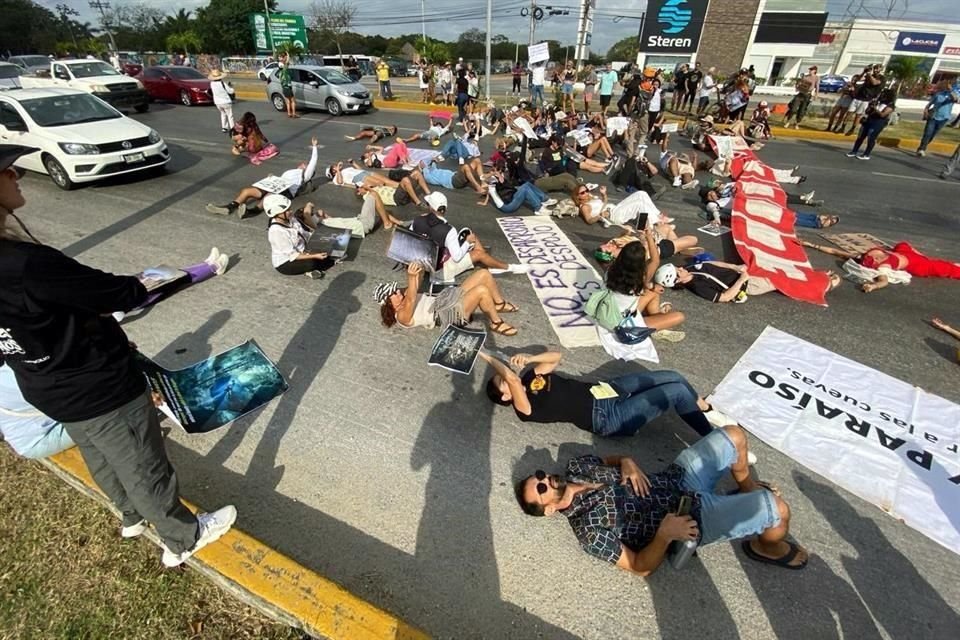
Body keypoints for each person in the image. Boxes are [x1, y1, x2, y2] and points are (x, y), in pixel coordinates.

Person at [0, 144, 236, 567]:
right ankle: (182, 537)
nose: (15, 175)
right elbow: (109, 292)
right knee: (142, 461)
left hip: (48, 387)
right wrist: (140, 286)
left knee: (99, 453)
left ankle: (130, 517)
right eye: (6, 172)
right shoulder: (24, 264)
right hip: (96, 385)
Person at [514, 425, 807, 575]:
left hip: (678, 477)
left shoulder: (577, 467)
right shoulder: (589, 532)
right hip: (692, 517)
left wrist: (626, 461)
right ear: (550, 510)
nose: (545, 479)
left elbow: (612, 459)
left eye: (539, 475)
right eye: (540, 489)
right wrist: (665, 536)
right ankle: (766, 547)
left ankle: (748, 488)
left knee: (734, 435)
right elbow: (640, 566)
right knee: (778, 510)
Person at [483, 349, 721, 438]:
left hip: (607, 390)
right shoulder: (523, 408)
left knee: (674, 376)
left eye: (503, 376)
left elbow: (556, 356)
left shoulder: (529, 377)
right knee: (676, 392)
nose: (507, 378)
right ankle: (714, 439)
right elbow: (512, 378)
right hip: (608, 418)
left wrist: (530, 358)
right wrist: (483, 353)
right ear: (506, 397)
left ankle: (706, 410)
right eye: (502, 383)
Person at [375, 263, 520, 336]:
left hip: (446, 299)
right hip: (446, 314)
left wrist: (417, 264)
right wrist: (410, 276)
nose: (397, 292)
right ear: (388, 303)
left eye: (395, 290)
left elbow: (416, 281)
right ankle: (496, 322)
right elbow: (411, 299)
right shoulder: (401, 316)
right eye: (393, 293)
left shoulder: (403, 296)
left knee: (483, 274)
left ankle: (499, 304)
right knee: (481, 291)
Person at [207, 137, 319, 217]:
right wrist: (272, 177)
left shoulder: (304, 175)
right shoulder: (292, 171)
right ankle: (229, 207)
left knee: (270, 196)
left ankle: (251, 211)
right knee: (247, 191)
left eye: (306, 164)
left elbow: (313, 162)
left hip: (286, 191)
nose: (304, 163)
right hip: (276, 184)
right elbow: (281, 179)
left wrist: (314, 147)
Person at [800, 239, 960, 291]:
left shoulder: (868, 256)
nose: (873, 256)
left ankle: (919, 255)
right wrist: (873, 286)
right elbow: (883, 280)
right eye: (872, 258)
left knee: (902, 244)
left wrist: (810, 244)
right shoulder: (883, 267)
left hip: (904, 253)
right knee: (948, 268)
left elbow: (836, 252)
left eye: (871, 256)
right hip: (917, 264)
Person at [654, 260, 840, 303]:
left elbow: (710, 263)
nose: (680, 267)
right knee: (782, 280)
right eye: (677, 270)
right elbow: (724, 297)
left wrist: (735, 267)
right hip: (748, 284)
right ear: (677, 280)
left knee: (777, 265)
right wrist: (743, 278)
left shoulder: (691, 269)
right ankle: (824, 284)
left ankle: (815, 275)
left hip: (740, 273)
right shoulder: (698, 286)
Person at [265, 194, 334, 278]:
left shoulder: (291, 219)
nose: (290, 211)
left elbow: (304, 232)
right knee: (312, 263)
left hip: (304, 250)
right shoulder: (277, 232)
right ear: (277, 213)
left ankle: (315, 268)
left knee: (328, 248)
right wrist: (314, 255)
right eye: (287, 210)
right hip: (287, 262)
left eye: (289, 209)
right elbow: (293, 255)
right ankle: (310, 270)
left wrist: (320, 238)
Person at [318, 185, 404, 238]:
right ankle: (388, 223)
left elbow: (333, 220)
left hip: (358, 220)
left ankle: (395, 222)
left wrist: (324, 216)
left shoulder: (325, 223)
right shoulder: (319, 226)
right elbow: (309, 208)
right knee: (374, 195)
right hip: (362, 225)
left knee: (376, 203)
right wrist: (367, 188)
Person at [846, 87, 897, 161]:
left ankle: (866, 154)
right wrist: (870, 107)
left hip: (878, 122)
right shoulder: (877, 102)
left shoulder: (890, 105)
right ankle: (854, 151)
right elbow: (867, 111)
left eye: (883, 94)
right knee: (860, 136)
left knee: (871, 138)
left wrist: (875, 109)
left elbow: (883, 115)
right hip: (869, 120)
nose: (881, 95)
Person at [917, 82, 960, 156]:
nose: (947, 87)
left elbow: (956, 99)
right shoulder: (938, 94)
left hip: (944, 118)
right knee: (927, 133)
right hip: (933, 116)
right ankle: (921, 149)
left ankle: (923, 146)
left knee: (932, 135)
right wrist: (926, 111)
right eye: (947, 86)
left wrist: (951, 91)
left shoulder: (952, 95)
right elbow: (929, 104)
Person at [844, 64, 885, 135]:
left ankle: (852, 129)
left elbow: (874, 82)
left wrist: (869, 74)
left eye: (877, 69)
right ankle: (842, 127)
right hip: (858, 96)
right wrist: (864, 72)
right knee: (849, 112)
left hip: (867, 99)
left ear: (881, 70)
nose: (875, 70)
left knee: (858, 115)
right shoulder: (869, 75)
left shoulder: (882, 78)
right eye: (874, 68)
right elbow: (858, 79)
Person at [278, 53, 298, 118]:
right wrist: (288, 54)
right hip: (288, 87)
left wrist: (284, 58)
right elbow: (287, 62)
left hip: (283, 88)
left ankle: (289, 113)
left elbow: (286, 62)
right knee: (293, 101)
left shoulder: (279, 73)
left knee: (287, 101)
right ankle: (294, 113)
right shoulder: (284, 70)